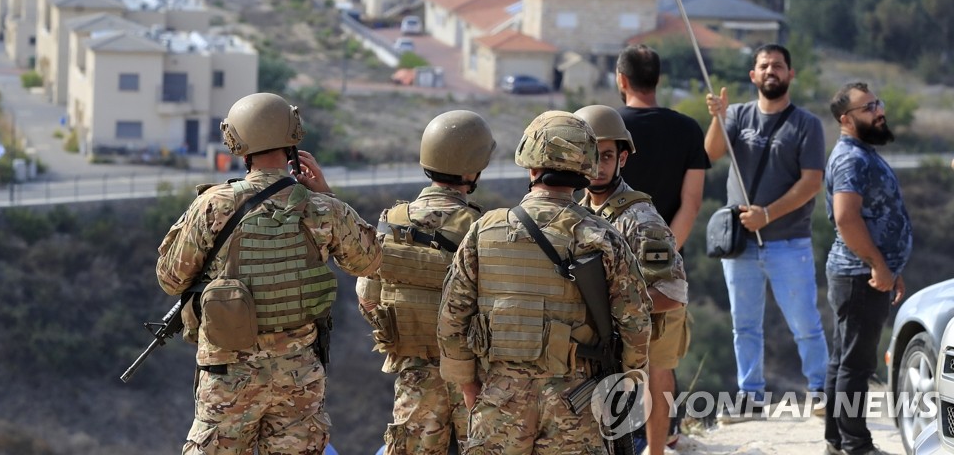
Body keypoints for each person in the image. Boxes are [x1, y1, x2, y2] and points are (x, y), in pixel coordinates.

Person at [156, 92, 382, 455]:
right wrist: (328, 195)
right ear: (293, 138)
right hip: (299, 378)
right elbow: (368, 262)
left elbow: (170, 279)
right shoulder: (322, 208)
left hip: (228, 375)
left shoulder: (214, 205)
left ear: (238, 144)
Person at [437, 111, 651, 455]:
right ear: (585, 167)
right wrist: (629, 379)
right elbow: (636, 322)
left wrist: (468, 383)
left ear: (530, 165)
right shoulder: (601, 236)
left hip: (499, 397)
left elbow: (452, 317)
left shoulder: (483, 230)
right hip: (576, 403)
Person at [357, 110, 496, 455]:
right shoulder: (480, 227)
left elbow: (367, 295)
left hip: (414, 374)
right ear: (471, 170)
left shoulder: (392, 221)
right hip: (472, 378)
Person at [704, 44, 829, 420]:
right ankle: (750, 396)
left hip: (789, 243)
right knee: (744, 326)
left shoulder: (807, 124)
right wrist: (717, 117)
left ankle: (823, 391)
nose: (771, 70)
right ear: (753, 76)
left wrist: (768, 215)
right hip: (741, 244)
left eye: (778, 65)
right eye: (764, 65)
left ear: (791, 74)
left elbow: (812, 182)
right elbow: (709, 154)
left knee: (805, 324)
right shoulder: (738, 116)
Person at [575, 105, 688, 455]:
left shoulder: (640, 219)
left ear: (622, 158)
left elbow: (672, 293)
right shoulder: (575, 210)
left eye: (607, 156)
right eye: (590, 155)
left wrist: (616, 309)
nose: (597, 165)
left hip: (654, 319)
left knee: (656, 374)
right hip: (606, 322)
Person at [823, 83, 911, 455]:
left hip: (864, 272)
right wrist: (878, 264)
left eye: (877, 103)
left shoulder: (861, 153)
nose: (879, 111)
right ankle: (855, 445)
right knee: (855, 366)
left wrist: (892, 265)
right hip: (861, 275)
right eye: (868, 107)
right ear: (846, 119)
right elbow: (845, 218)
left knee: (844, 361)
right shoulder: (851, 158)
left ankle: (836, 441)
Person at [615, 45, 710, 249]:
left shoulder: (608, 128)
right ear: (658, 80)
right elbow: (691, 204)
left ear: (622, 80)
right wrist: (664, 254)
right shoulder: (689, 129)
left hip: (611, 255)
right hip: (667, 259)